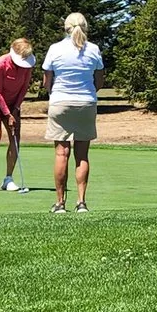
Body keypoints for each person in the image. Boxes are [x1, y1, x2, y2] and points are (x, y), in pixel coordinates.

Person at [40, 13, 103, 214]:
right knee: (82, 154)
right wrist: (89, 92)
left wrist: (54, 94)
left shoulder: (55, 49)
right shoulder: (93, 49)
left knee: (62, 153)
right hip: (86, 103)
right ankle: (81, 202)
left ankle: (60, 203)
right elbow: (99, 80)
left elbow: (46, 81)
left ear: (65, 27)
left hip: (60, 103)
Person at [0, 37, 34, 192]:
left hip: (13, 103)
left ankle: (8, 179)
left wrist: (15, 108)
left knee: (15, 138)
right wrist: (8, 114)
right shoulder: (0, 64)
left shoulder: (27, 66)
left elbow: (24, 88)